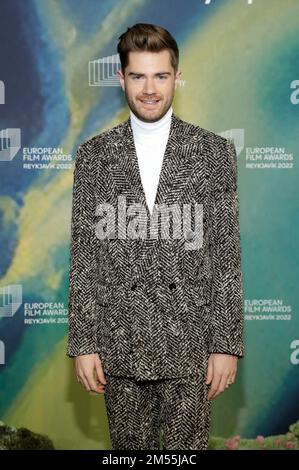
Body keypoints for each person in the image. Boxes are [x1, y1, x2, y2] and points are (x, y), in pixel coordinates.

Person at [66, 23, 245, 450]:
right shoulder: (94, 156)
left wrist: (226, 345)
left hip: (190, 344)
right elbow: (84, 256)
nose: (150, 89)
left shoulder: (212, 152)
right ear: (121, 78)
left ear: (176, 76)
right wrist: (83, 343)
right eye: (139, 76)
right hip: (120, 342)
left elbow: (226, 254)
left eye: (161, 76)